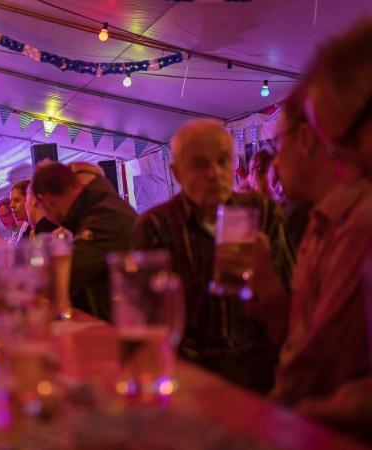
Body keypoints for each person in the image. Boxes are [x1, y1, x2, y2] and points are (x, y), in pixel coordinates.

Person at [248, 21, 372, 440]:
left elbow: (313, 376)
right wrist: (266, 289)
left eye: (340, 144)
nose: (339, 163)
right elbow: (307, 350)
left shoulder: (356, 221)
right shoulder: (320, 222)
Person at [132, 119, 295, 394]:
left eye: (223, 161)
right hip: (192, 373)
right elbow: (148, 319)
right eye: (199, 164)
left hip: (260, 369)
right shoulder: (155, 226)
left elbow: (289, 296)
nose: (215, 173)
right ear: (177, 173)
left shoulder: (262, 211)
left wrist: (265, 275)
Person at [31, 161, 137, 320]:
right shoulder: (95, 210)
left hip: (116, 333)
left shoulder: (106, 217)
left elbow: (60, 282)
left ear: (45, 200)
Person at [9, 179, 31, 245]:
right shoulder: (27, 228)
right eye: (11, 201)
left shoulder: (44, 230)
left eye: (17, 200)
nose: (11, 205)